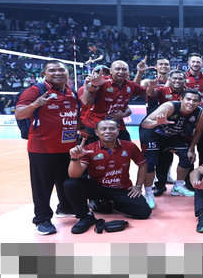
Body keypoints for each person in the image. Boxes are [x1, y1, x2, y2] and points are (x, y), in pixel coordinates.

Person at [14, 60, 79, 235]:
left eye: (61, 70)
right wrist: (35, 104)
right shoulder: (35, 90)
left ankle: (65, 207)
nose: (58, 73)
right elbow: (19, 114)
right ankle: (42, 219)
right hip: (42, 148)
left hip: (68, 147)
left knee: (66, 181)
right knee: (42, 187)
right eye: (52, 70)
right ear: (44, 74)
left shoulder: (71, 91)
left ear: (67, 73)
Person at [64, 120, 151, 234]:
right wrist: (74, 158)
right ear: (96, 132)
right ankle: (85, 216)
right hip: (98, 188)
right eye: (103, 129)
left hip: (121, 188)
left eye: (112, 128)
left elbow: (143, 165)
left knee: (144, 212)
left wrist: (138, 186)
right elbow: (74, 175)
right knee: (70, 184)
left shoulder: (129, 146)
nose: (108, 131)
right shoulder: (89, 149)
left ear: (118, 131)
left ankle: (112, 204)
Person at [139, 89, 203, 206]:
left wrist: (191, 149)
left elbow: (198, 133)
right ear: (181, 99)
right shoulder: (170, 107)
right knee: (150, 163)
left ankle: (178, 187)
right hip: (151, 133)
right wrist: (158, 123)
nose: (191, 102)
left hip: (170, 135)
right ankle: (149, 194)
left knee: (187, 157)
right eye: (188, 99)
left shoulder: (201, 113)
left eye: (195, 100)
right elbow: (145, 123)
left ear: (199, 102)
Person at [142, 69, 186, 195]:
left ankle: (181, 184)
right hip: (159, 129)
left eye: (180, 78)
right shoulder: (162, 90)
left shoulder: (187, 93)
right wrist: (151, 87)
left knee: (182, 156)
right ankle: (159, 186)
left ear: (184, 80)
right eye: (175, 78)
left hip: (178, 130)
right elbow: (151, 94)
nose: (177, 81)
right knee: (160, 158)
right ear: (169, 80)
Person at [81, 60, 147, 143]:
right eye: (117, 69)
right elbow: (87, 101)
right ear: (111, 71)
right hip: (94, 125)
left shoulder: (130, 85)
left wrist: (142, 75)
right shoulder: (101, 82)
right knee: (92, 150)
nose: (121, 72)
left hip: (117, 125)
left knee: (127, 147)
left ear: (128, 72)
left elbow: (146, 91)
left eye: (124, 69)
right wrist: (93, 85)